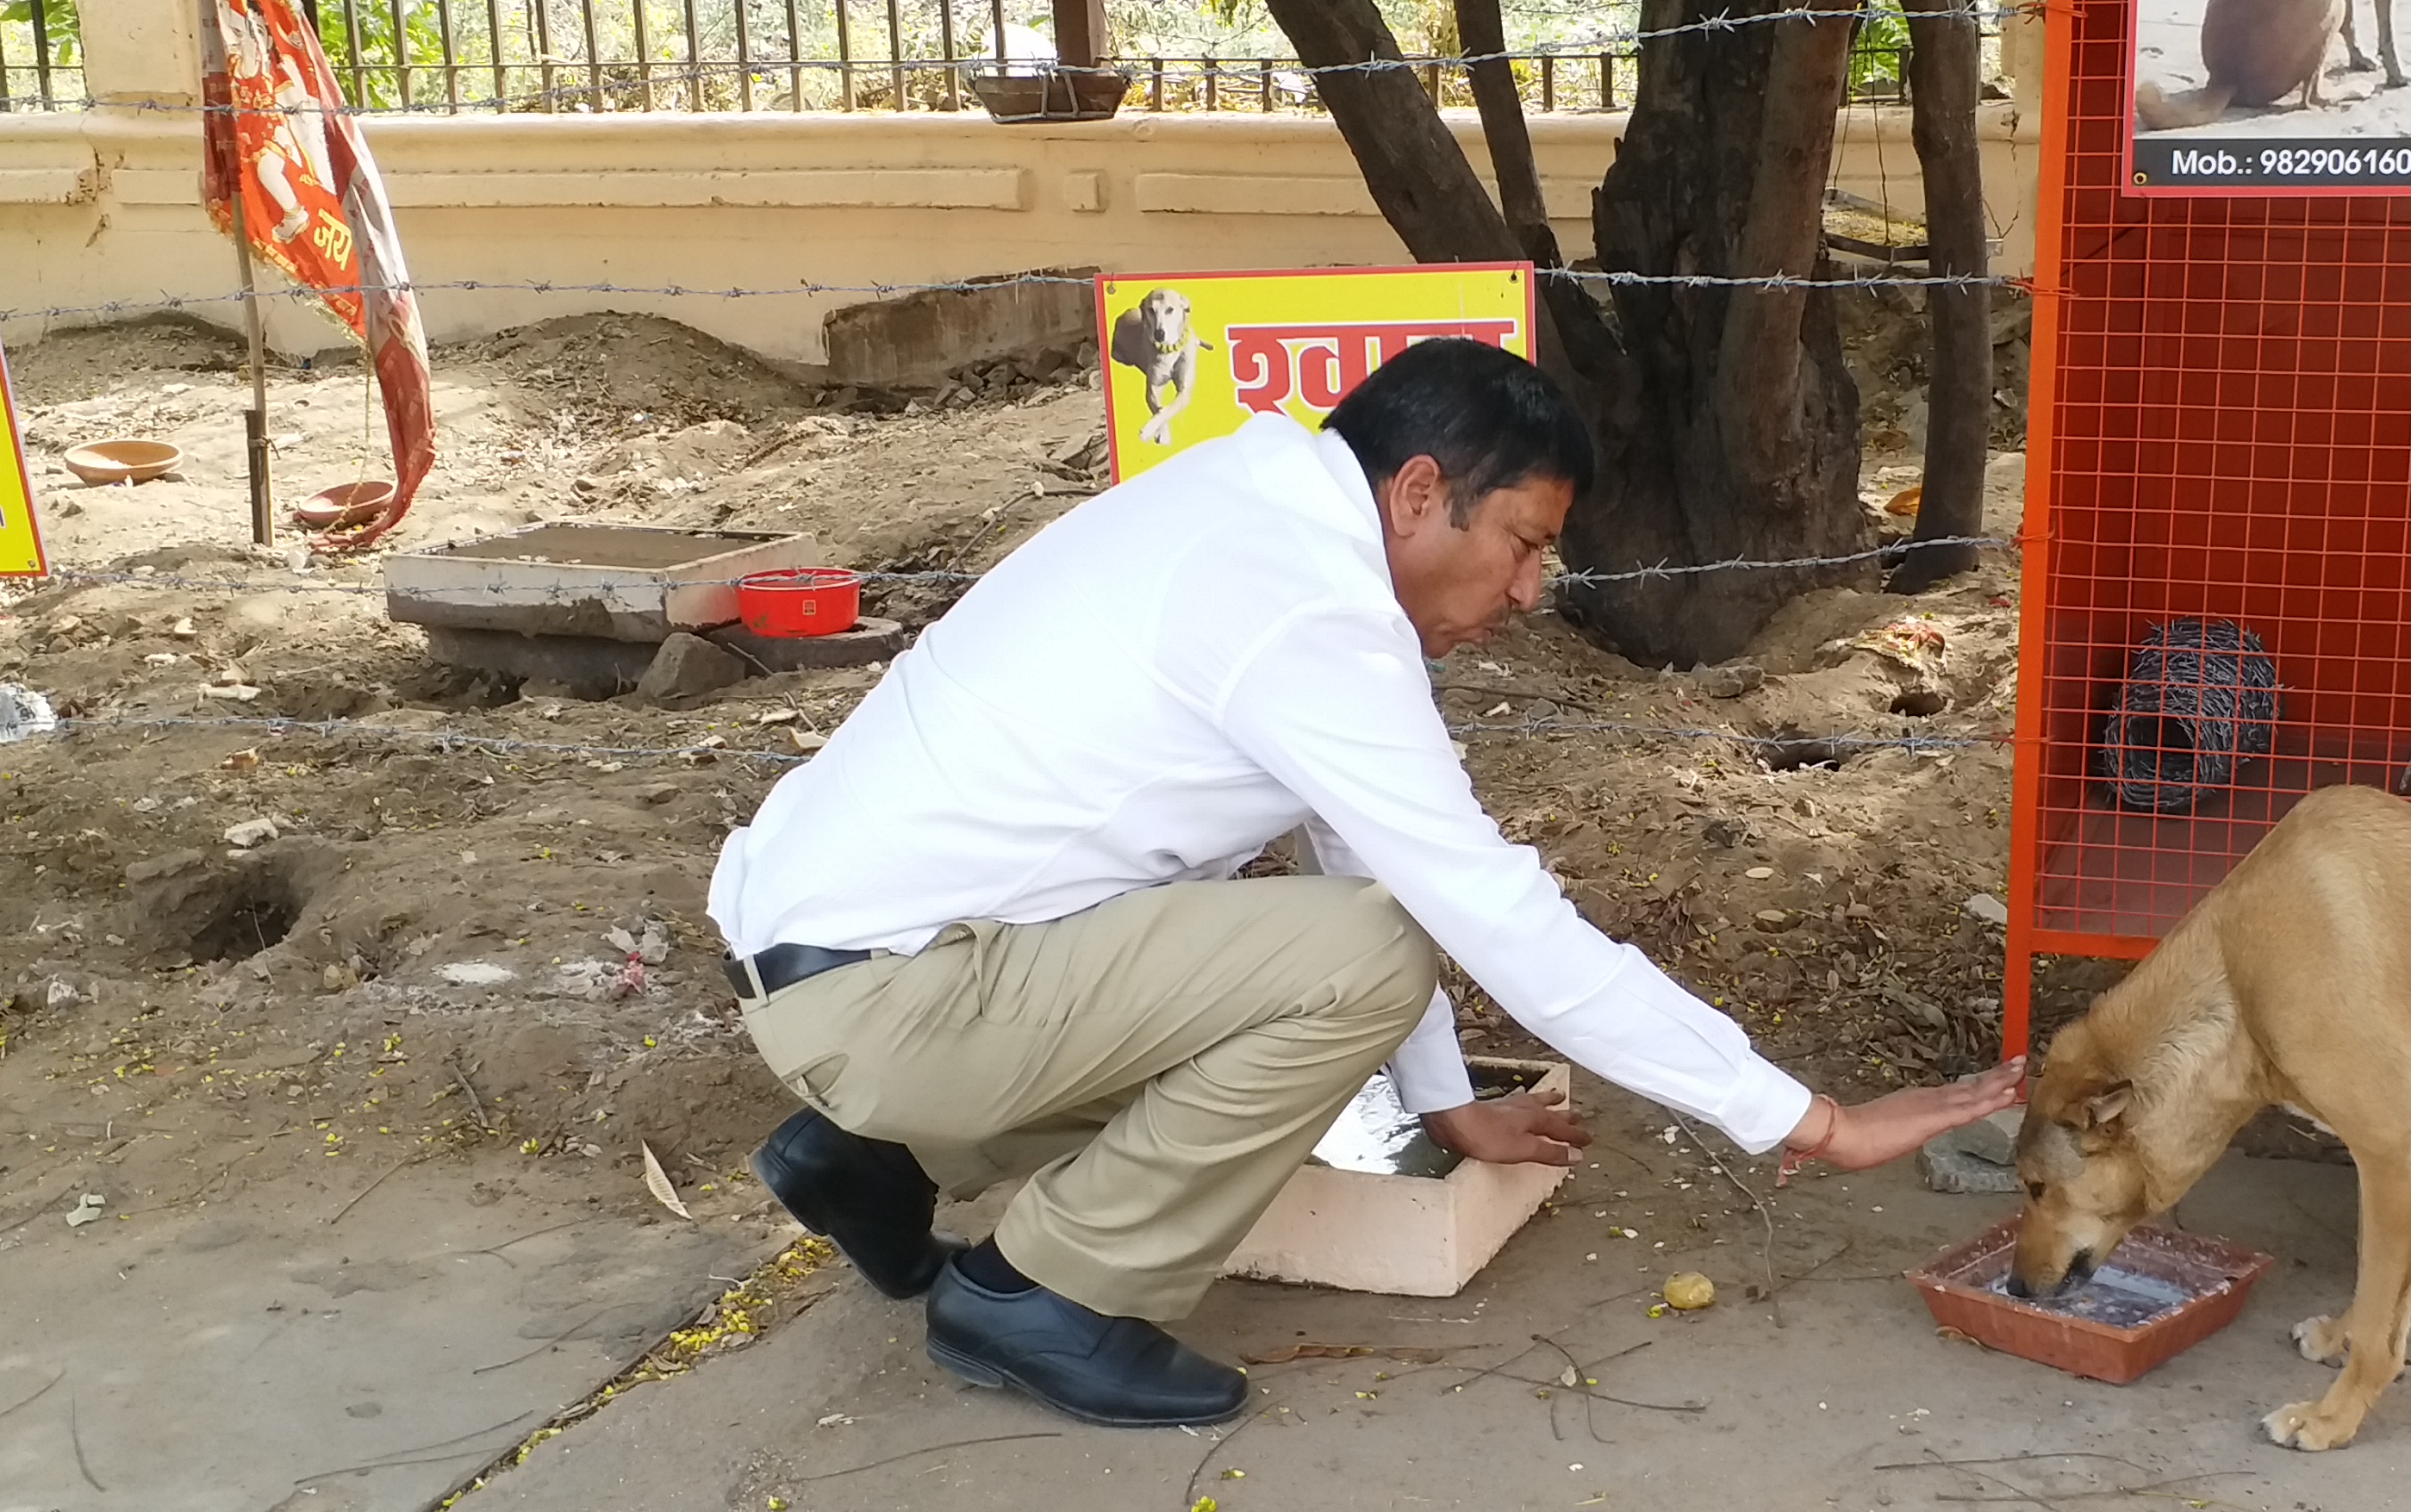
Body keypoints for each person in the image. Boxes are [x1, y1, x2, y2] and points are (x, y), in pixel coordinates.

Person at [705, 339, 2023, 1428]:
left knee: (1339, 953)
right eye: (1519, 542)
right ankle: (1042, 1297)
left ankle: (871, 1158)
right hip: (897, 997)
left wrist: (1444, 1110)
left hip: (843, 966)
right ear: (1418, 491)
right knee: (1366, 961)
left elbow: (1354, 846)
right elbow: (1476, 914)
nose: (1525, 590)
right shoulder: (1307, 607)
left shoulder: (1255, 507)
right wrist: (1811, 1122)